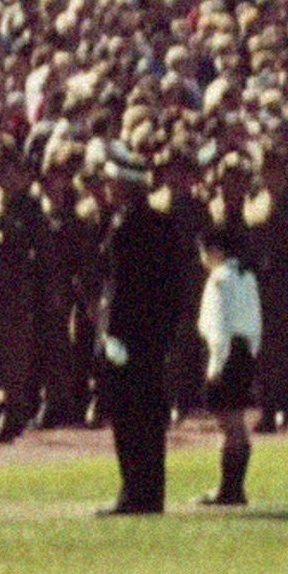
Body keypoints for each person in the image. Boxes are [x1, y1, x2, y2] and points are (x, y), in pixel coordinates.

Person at [97, 142, 181, 515]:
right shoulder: (162, 224)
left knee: (129, 416)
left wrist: (110, 334)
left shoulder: (124, 226)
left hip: (128, 337)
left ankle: (133, 492)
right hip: (153, 336)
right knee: (150, 416)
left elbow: (119, 288)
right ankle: (151, 492)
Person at [195, 219, 263, 506]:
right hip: (245, 350)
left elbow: (219, 327)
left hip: (227, 353)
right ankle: (233, 487)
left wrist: (216, 364)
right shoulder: (247, 276)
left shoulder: (220, 279)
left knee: (230, 423)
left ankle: (229, 488)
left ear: (216, 251)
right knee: (237, 421)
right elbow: (257, 320)